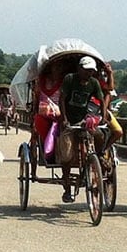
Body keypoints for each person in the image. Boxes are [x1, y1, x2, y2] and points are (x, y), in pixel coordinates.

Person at [58, 57, 105, 203]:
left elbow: (102, 100)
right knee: (66, 155)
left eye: (91, 71)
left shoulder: (94, 83)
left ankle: (98, 157)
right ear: (79, 69)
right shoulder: (70, 79)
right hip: (69, 121)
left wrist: (103, 117)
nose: (89, 73)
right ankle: (67, 188)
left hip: (84, 120)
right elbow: (62, 99)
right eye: (86, 70)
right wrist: (64, 119)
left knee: (99, 136)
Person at [32, 62, 64, 164]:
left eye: (59, 68)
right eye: (55, 68)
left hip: (62, 112)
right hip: (44, 114)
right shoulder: (41, 82)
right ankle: (46, 152)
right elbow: (36, 98)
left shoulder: (65, 81)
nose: (57, 71)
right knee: (41, 125)